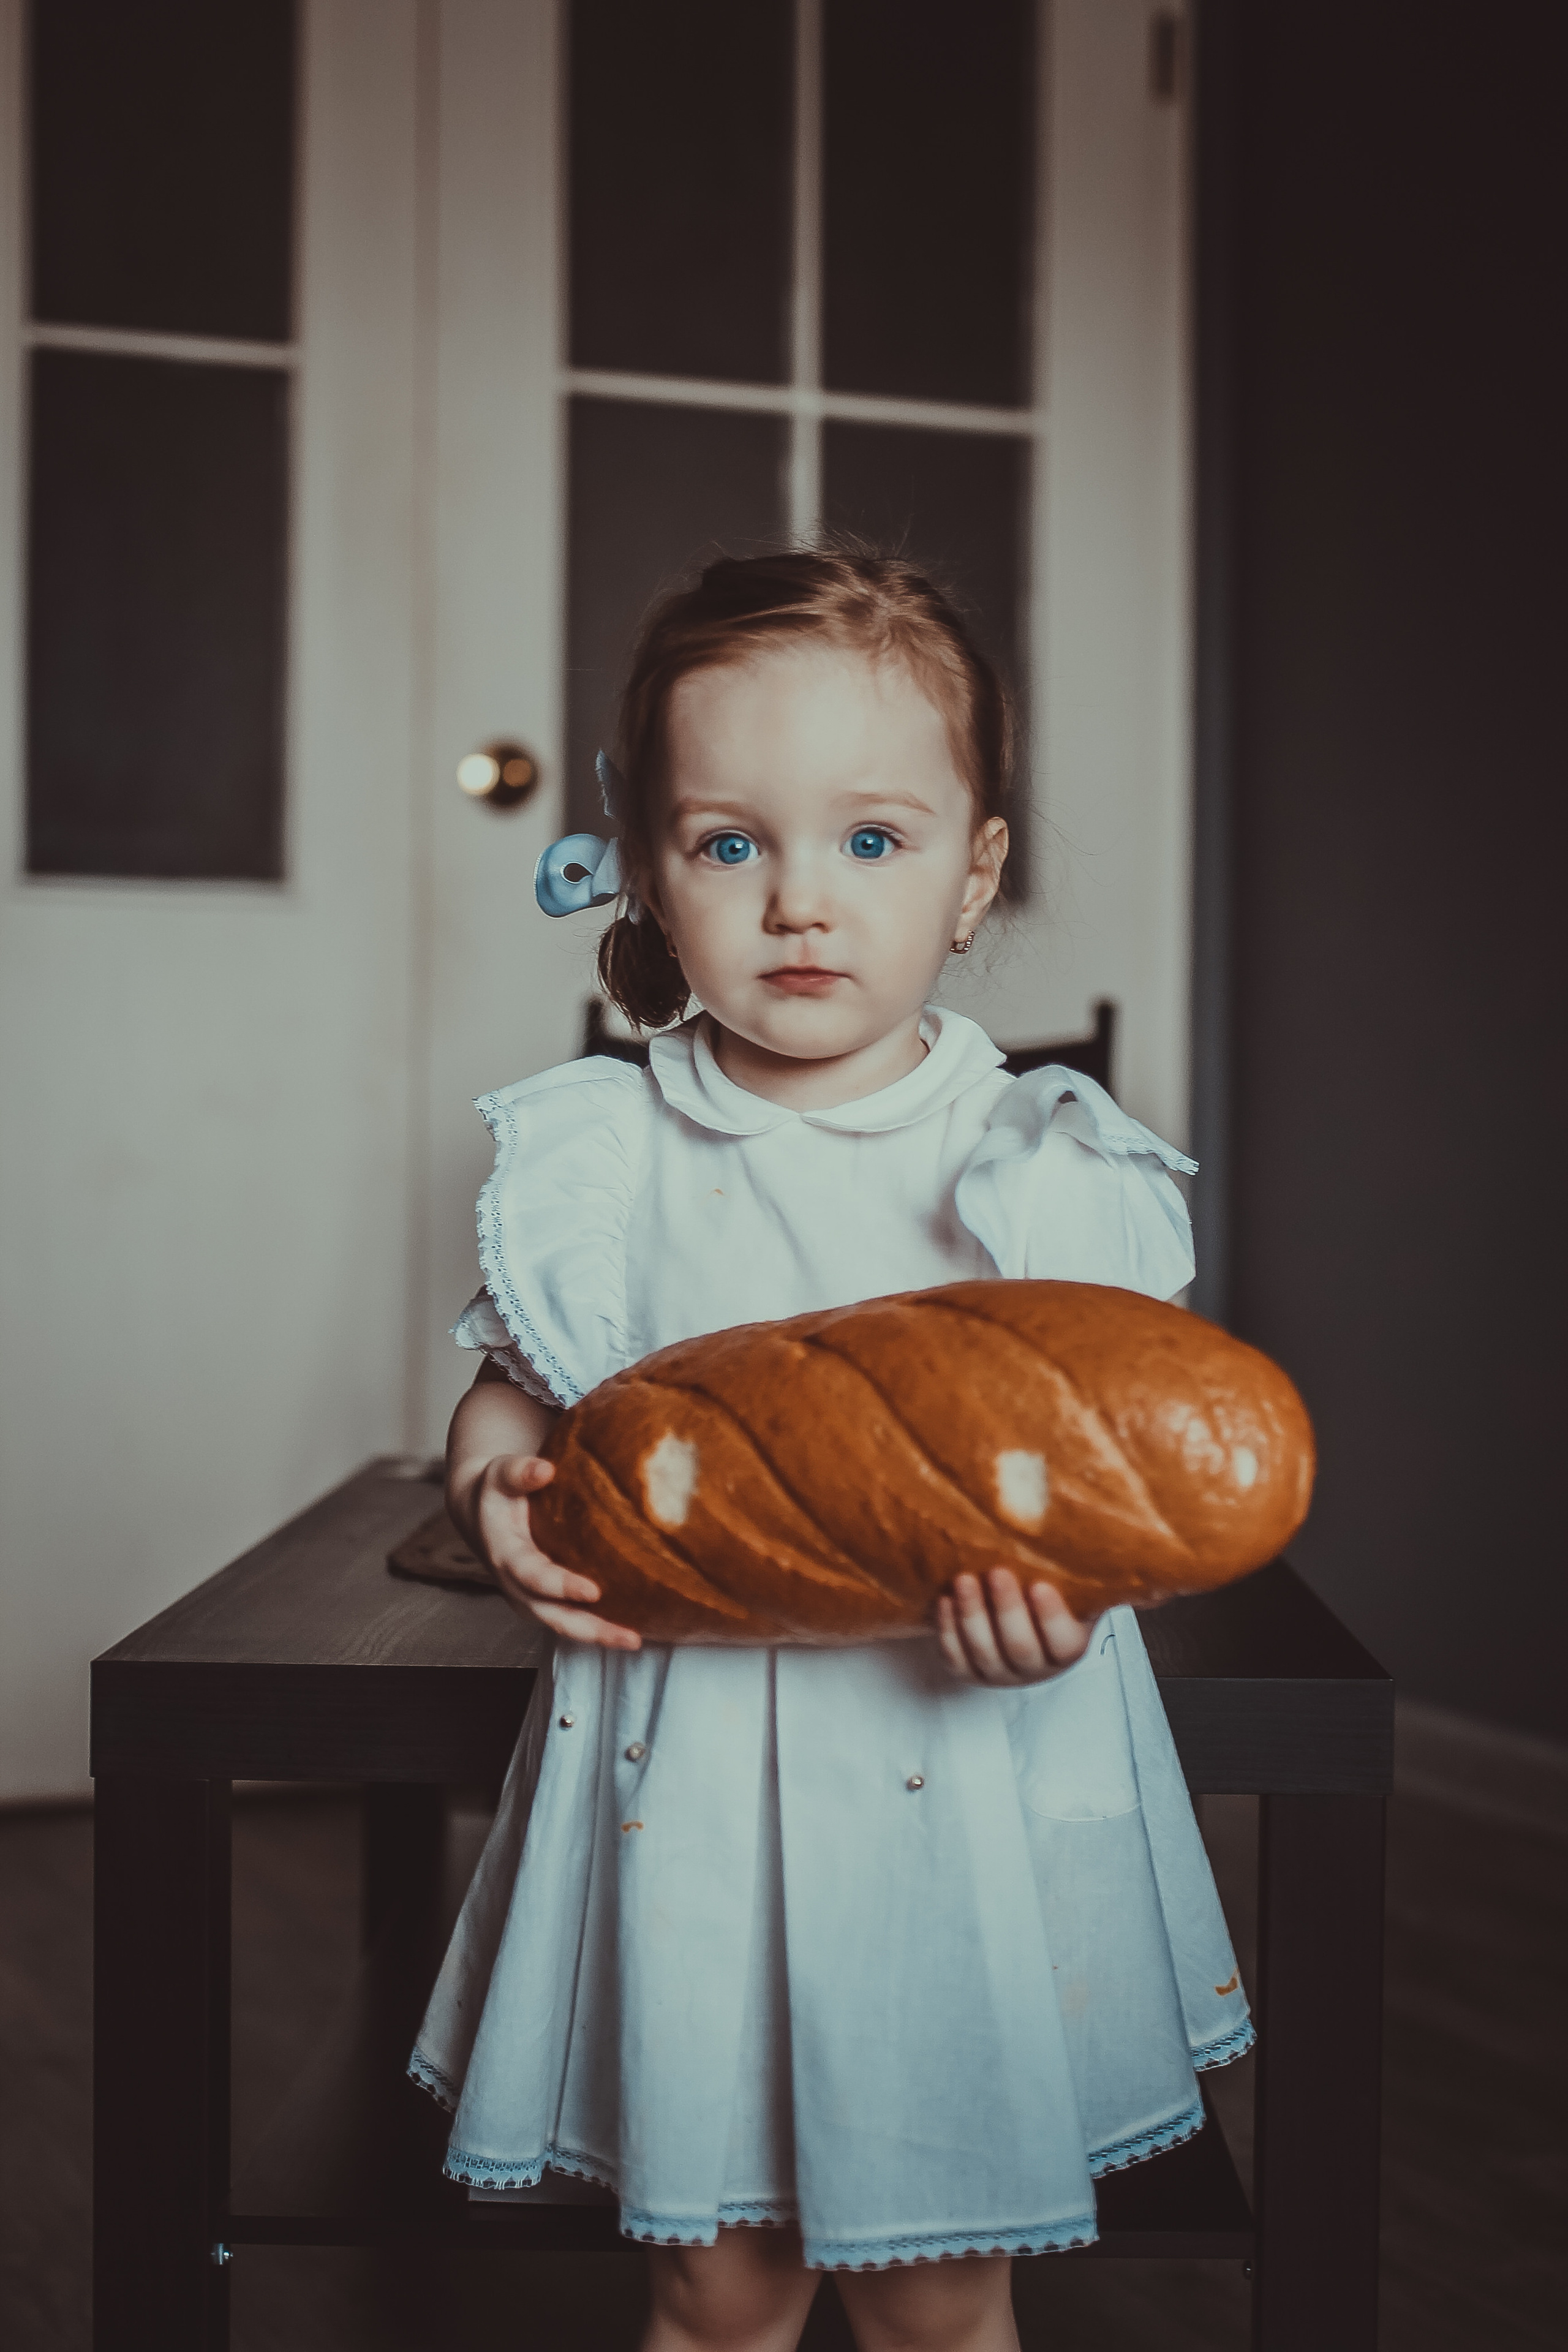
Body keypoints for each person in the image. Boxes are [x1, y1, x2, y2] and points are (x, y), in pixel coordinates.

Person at [410, 549, 1251, 2352]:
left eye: (873, 842)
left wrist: (1073, 1590)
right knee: (716, 2285)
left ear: (976, 874)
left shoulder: (1040, 1161)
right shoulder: (610, 1151)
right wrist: (497, 1489)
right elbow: (520, 1392)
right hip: (694, 1770)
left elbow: (1098, 1463)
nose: (802, 901)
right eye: (732, 846)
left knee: (941, 2296)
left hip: (948, 1762)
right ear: (645, 870)